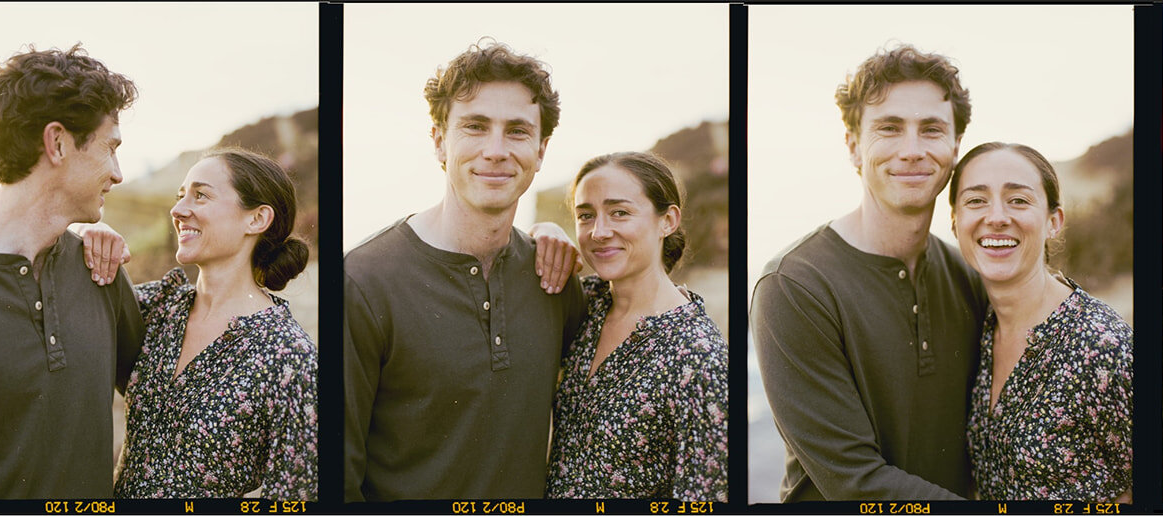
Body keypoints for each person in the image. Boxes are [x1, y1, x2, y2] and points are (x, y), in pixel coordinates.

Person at [343, 39, 583, 501]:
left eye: (517, 131)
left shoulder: (554, 278)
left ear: (542, 150)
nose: (496, 150)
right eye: (474, 126)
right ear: (439, 140)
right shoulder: (362, 281)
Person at [752, 43, 985, 501]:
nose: (912, 150)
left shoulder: (969, 276)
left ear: (955, 147)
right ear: (854, 146)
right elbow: (856, 484)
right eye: (890, 129)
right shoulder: (794, 285)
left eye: (932, 129)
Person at [0, 44, 144, 500]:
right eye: (110, 147)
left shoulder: (102, 269)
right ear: (57, 143)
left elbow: (158, 393)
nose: (117, 173)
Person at [79, 149, 318, 499]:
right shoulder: (158, 307)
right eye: (180, 196)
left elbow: (298, 495)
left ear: (257, 219)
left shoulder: (288, 356)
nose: (178, 210)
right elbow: (72, 306)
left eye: (201, 195)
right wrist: (85, 232)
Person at [948, 143, 1132, 500]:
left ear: (1053, 222)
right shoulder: (979, 330)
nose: (997, 216)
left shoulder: (1103, 344)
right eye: (975, 200)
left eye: (1018, 200)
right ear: (955, 222)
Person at [545, 152, 727, 501]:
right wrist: (546, 230)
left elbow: (705, 494)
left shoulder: (698, 354)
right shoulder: (584, 306)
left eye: (620, 213)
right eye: (586, 215)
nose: (599, 232)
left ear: (667, 221)